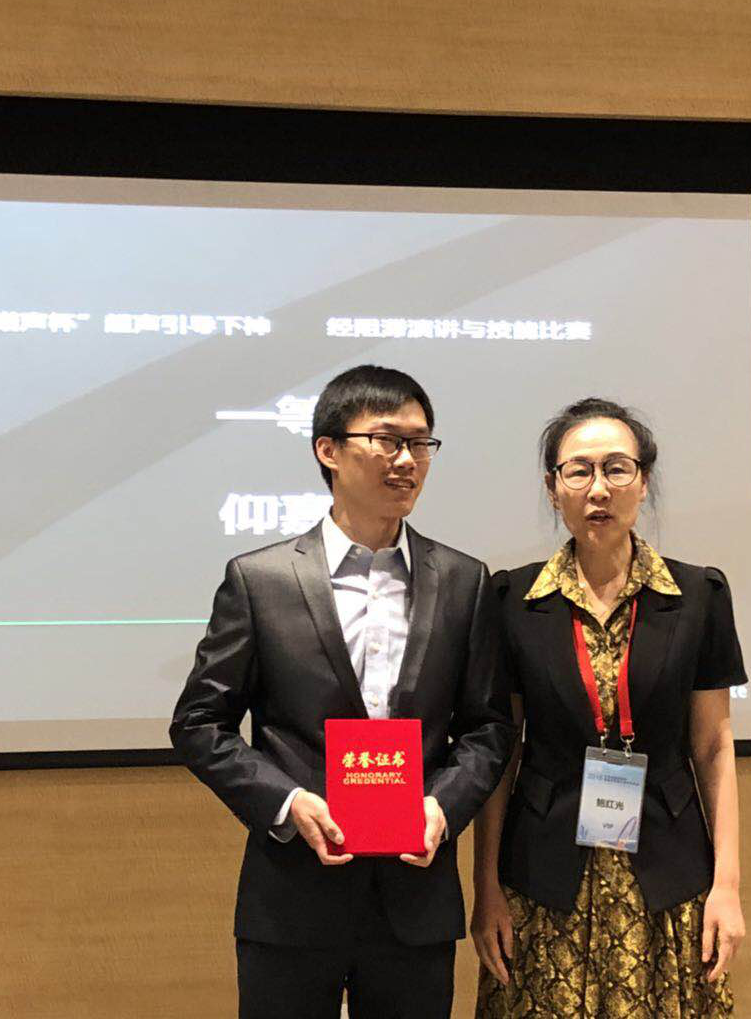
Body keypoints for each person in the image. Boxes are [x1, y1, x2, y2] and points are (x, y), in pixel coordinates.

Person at [171, 365, 516, 1019]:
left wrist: (443, 807)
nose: (408, 460)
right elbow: (199, 723)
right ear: (328, 450)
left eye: (421, 443)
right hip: (292, 895)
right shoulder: (261, 580)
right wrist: (286, 802)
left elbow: (488, 727)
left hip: (416, 896)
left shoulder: (464, 580)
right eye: (387, 440)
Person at [472, 398, 747, 1018]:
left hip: (669, 875)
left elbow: (713, 747)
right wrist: (485, 889)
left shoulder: (699, 595)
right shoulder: (514, 599)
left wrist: (727, 885)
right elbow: (501, 752)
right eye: (579, 471)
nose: (598, 489)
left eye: (617, 468)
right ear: (553, 489)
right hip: (542, 879)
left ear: (643, 482)